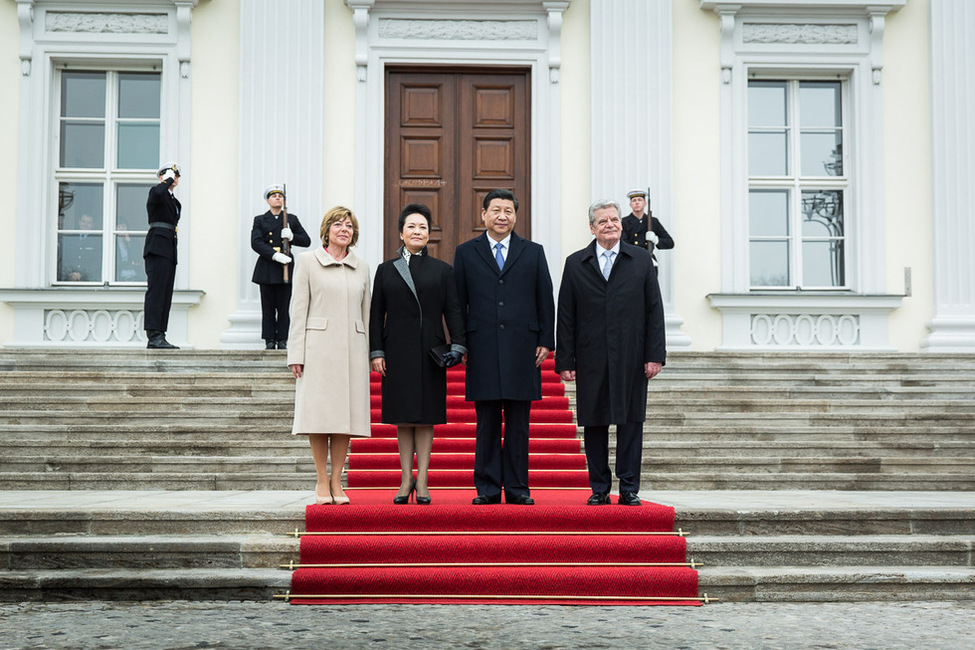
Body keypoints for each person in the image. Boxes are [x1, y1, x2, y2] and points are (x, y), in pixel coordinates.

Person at [555, 199, 666, 506]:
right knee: (595, 422)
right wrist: (565, 359)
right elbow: (566, 315)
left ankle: (629, 487)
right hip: (591, 357)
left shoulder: (641, 260)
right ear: (592, 227)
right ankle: (600, 487)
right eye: (603, 221)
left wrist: (654, 355)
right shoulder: (576, 263)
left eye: (614, 219)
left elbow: (654, 310)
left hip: (632, 356)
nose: (610, 225)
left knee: (631, 422)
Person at [453, 189, 555, 505]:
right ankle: (486, 488)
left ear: (515, 216)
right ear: (483, 214)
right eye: (495, 209)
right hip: (481, 347)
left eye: (508, 210)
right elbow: (457, 303)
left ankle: (517, 487)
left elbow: (545, 298)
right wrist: (460, 342)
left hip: (523, 348)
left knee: (518, 424)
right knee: (485, 423)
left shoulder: (533, 252)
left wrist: (545, 340)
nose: (502, 216)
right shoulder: (466, 252)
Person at [369, 203, 466, 505]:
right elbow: (375, 314)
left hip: (430, 353)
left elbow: (453, 312)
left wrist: (459, 345)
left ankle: (422, 479)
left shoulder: (443, 270)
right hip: (396, 351)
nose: (417, 231)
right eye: (411, 226)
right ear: (401, 232)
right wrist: (376, 351)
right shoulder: (386, 270)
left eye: (423, 227)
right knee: (403, 418)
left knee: (425, 418)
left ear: (429, 233)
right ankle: (404, 478)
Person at [287, 206, 371, 506]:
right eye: (338, 224)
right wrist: (295, 352)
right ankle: (322, 479)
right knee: (319, 417)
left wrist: (370, 351)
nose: (344, 229)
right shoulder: (308, 261)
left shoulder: (361, 267)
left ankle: (337, 479)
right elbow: (298, 309)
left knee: (343, 420)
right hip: (317, 349)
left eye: (349, 225)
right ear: (327, 230)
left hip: (352, 350)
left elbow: (367, 312)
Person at [251, 184, 312, 350]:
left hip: (285, 267)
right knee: (268, 307)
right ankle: (269, 340)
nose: (278, 198)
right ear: (267, 200)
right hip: (268, 266)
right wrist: (274, 255)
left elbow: (306, 240)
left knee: (285, 307)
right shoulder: (260, 220)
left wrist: (292, 237)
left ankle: (283, 339)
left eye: (280, 196)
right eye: (274, 196)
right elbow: (256, 242)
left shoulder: (290, 219)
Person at [143, 162, 182, 349]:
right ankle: (153, 334)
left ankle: (161, 333)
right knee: (157, 291)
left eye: (175, 176)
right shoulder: (156, 192)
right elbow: (158, 193)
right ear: (162, 178)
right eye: (169, 175)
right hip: (157, 246)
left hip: (169, 247)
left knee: (165, 293)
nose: (173, 178)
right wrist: (165, 181)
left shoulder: (174, 201)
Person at [621, 188, 674, 267]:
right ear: (630, 204)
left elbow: (670, 243)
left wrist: (656, 240)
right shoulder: (624, 222)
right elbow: (623, 244)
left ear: (645, 203)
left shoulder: (653, 221)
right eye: (634, 200)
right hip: (631, 262)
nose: (637, 202)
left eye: (640, 200)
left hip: (650, 262)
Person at [59, 213, 101, 282]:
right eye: (83, 221)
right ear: (79, 222)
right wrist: (70, 273)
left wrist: (82, 274)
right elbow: (65, 259)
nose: (85, 224)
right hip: (69, 279)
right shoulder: (70, 239)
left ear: (93, 225)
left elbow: (97, 263)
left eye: (89, 222)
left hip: (89, 280)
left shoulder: (97, 240)